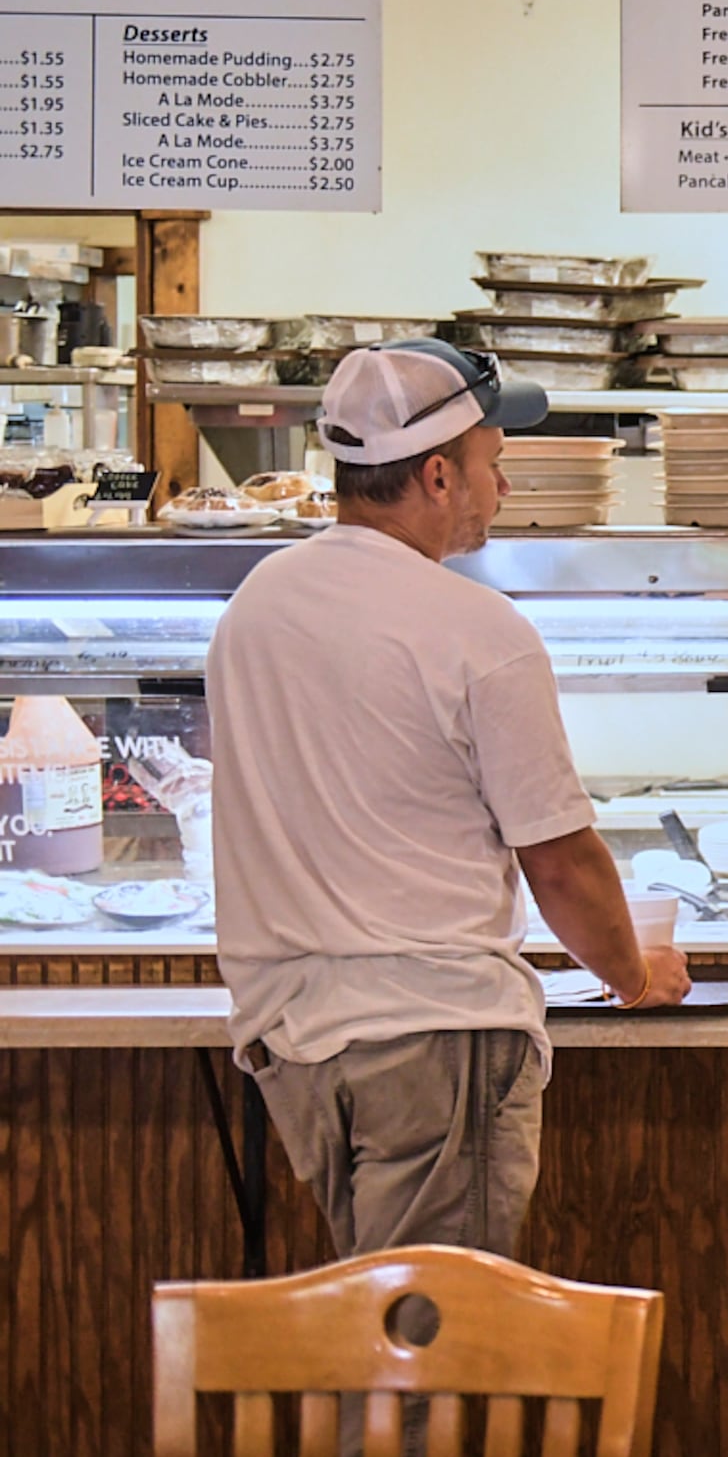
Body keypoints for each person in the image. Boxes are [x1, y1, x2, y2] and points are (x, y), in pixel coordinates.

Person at [212, 340, 690, 1264]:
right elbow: (560, 860)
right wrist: (636, 975)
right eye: (491, 463)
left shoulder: (254, 607)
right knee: (434, 1332)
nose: (501, 488)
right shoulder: (478, 627)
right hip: (430, 1036)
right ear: (437, 476)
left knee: (380, 1313)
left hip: (294, 1042)